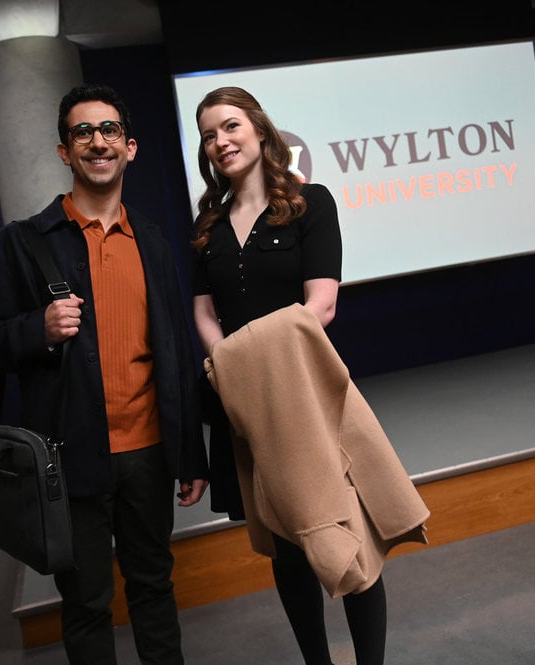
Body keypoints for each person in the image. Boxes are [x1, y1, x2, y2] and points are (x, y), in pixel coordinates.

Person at [0, 83, 209, 665]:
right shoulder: (18, 245)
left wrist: (189, 454)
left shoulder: (152, 241)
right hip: (68, 459)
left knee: (154, 587)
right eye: (82, 132)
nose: (97, 142)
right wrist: (37, 329)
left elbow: (175, 350)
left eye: (108, 132)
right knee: (87, 602)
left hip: (148, 451)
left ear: (130, 148)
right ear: (64, 152)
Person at [191, 86, 427, 665]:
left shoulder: (309, 202)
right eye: (208, 134)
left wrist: (239, 360)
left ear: (260, 129)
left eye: (229, 126)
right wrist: (233, 378)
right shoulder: (207, 225)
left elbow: (320, 306)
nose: (220, 141)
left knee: (343, 532)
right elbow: (202, 313)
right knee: (287, 543)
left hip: (304, 397)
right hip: (243, 405)